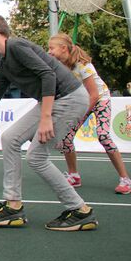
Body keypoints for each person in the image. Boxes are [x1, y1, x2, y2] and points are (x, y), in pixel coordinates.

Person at [0, 15, 97, 231]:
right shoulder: (4, 65)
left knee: (36, 156)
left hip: (70, 98)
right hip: (53, 100)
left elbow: (48, 75)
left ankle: (80, 210)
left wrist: (45, 118)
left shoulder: (16, 46)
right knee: (10, 138)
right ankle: (13, 206)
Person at [47, 34, 130, 194]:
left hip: (100, 99)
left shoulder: (83, 66)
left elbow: (94, 95)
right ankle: (74, 175)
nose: (49, 51)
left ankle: (125, 179)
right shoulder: (59, 65)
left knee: (103, 135)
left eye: (51, 48)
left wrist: (79, 114)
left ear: (63, 48)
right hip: (83, 101)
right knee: (66, 137)